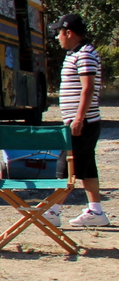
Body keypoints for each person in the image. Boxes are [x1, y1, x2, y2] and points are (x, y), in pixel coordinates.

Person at [54, 14, 107, 227]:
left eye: (59, 33)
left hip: (82, 123)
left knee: (66, 166)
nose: (57, 37)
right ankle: (96, 211)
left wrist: (78, 118)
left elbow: (88, 88)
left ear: (68, 33)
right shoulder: (77, 54)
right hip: (81, 121)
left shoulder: (84, 55)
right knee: (86, 167)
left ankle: (52, 210)